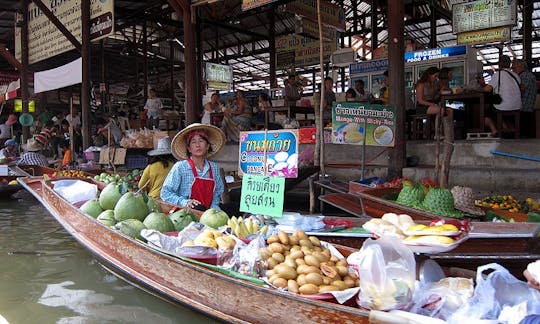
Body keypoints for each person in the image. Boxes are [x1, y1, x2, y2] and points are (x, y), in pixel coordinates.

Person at [161, 123, 225, 211]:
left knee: (235, 207)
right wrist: (185, 202)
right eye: (193, 142)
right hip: (185, 213)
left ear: (207, 146)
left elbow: (217, 193)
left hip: (209, 213)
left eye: (201, 141)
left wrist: (214, 209)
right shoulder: (180, 167)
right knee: (198, 207)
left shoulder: (213, 168)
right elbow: (165, 193)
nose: (198, 145)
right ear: (189, 149)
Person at [483, 55, 522, 136]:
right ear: (509, 64)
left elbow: (487, 89)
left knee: (486, 112)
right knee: (500, 109)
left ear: (499, 64)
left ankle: (494, 130)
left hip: (503, 106)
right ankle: (506, 128)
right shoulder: (516, 75)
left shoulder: (498, 74)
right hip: (517, 105)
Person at [512, 59, 537, 138]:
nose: (513, 69)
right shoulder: (527, 75)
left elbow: (522, 89)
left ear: (521, 67)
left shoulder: (525, 75)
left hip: (525, 107)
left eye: (514, 68)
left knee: (525, 133)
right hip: (527, 108)